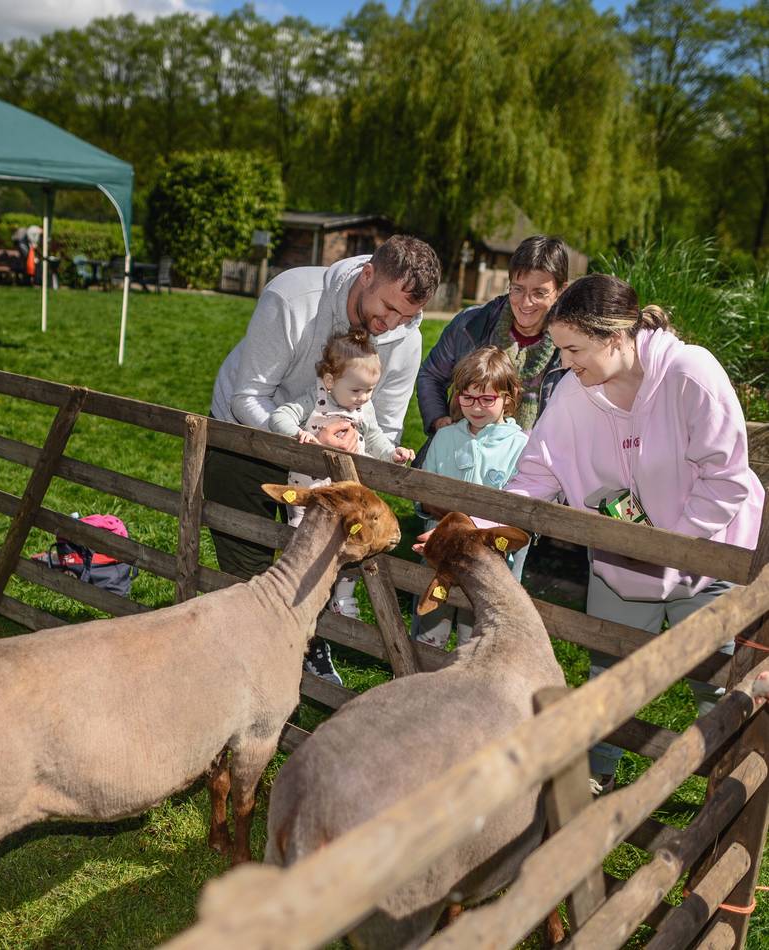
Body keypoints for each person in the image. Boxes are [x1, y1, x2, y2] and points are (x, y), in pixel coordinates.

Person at [463, 273, 764, 793]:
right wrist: (475, 528)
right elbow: (536, 475)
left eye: (574, 348)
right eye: (559, 349)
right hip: (623, 564)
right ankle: (593, 781)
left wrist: (670, 550)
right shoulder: (574, 394)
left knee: (717, 679)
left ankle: (729, 782)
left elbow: (725, 478)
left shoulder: (689, 375)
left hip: (713, 559)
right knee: (609, 673)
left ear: (616, 336)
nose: (564, 362)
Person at [206, 234, 441, 682]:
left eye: (407, 316)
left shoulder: (405, 339)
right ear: (368, 275)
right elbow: (249, 397)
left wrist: (364, 448)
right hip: (248, 439)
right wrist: (303, 441)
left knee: (317, 561)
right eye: (388, 308)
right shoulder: (293, 296)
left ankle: (308, 644)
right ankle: (251, 658)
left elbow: (385, 425)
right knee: (247, 560)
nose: (392, 324)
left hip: (331, 461)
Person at [270, 328, 417, 682]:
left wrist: (392, 453)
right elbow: (280, 416)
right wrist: (299, 434)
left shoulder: (363, 410)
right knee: (306, 550)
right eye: (356, 390)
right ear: (329, 379)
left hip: (347, 499)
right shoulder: (313, 400)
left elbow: (379, 439)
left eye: (369, 390)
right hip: (310, 495)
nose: (364, 398)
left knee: (353, 543)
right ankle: (302, 621)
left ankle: (343, 598)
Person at [412, 346, 528, 649]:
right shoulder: (445, 438)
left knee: (476, 636)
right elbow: (423, 495)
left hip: (491, 563)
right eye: (468, 398)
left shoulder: (521, 446)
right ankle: (419, 682)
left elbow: (519, 512)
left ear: (508, 397)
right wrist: (431, 507)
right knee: (430, 627)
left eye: (487, 399)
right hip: (439, 554)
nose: (476, 408)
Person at [417, 235, 569, 438]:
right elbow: (431, 375)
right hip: (459, 454)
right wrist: (439, 420)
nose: (526, 302)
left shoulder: (571, 347)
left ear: (560, 291)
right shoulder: (470, 324)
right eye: (517, 289)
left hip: (531, 465)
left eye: (539, 293)